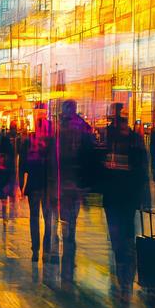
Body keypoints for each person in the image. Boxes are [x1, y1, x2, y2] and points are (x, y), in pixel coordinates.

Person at [102, 103, 151, 304]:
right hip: (114, 198)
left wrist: (145, 199)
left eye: (121, 119)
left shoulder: (133, 141)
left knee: (126, 238)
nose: (118, 123)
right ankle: (123, 274)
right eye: (116, 119)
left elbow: (142, 171)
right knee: (117, 239)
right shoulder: (111, 140)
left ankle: (126, 281)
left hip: (126, 198)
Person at [55, 99, 95, 282]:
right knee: (71, 219)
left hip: (64, 180)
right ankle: (70, 244)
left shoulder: (60, 128)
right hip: (76, 181)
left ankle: (68, 242)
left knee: (66, 218)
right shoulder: (84, 127)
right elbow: (91, 152)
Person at [19, 105, 55, 263]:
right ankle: (44, 250)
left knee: (36, 218)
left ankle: (36, 249)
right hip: (46, 185)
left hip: (35, 185)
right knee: (47, 219)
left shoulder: (29, 140)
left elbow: (23, 165)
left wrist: (22, 185)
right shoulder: (51, 142)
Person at [0, 127, 15, 224]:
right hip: (7, 176)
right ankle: (8, 214)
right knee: (7, 196)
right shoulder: (9, 154)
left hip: (1, 176)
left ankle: (5, 215)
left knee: (4, 197)